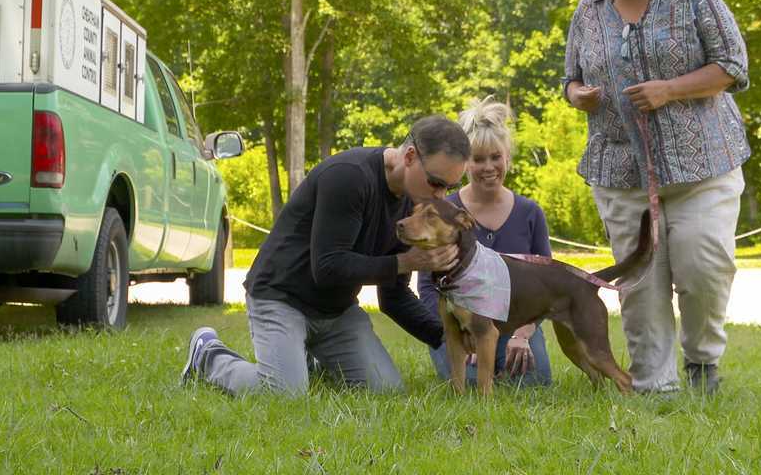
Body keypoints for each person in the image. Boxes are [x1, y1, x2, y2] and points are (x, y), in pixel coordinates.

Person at [563, 0, 750, 394]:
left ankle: (703, 364)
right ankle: (652, 386)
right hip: (620, 170)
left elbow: (732, 65)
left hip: (701, 166)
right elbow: (570, 79)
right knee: (640, 287)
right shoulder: (589, 10)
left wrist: (670, 89)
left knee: (703, 267)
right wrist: (578, 95)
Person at [180, 115, 470, 395]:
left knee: (386, 391)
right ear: (409, 157)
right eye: (436, 182)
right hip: (281, 297)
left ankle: (309, 359)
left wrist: (445, 336)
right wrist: (406, 261)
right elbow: (328, 267)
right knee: (283, 393)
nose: (441, 195)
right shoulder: (349, 176)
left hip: (337, 311)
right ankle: (208, 355)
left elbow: (393, 296)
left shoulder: (414, 203)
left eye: (450, 187)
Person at [417, 96, 553, 387]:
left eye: (495, 157)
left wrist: (523, 334)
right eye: (478, 159)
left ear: (508, 158)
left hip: (515, 324)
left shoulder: (530, 213)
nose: (488, 167)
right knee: (465, 380)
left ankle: (506, 357)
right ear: (465, 164)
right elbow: (427, 285)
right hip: (457, 327)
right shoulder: (444, 211)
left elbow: (545, 286)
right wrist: (456, 330)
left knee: (533, 383)